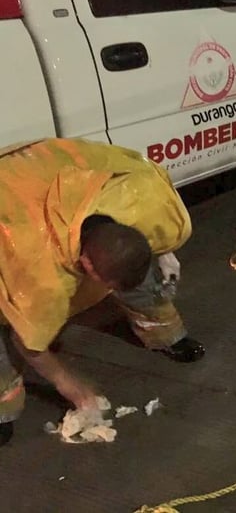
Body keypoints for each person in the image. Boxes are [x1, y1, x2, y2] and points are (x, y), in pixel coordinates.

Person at [0, 139, 204, 447]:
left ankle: (165, 334)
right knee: (15, 324)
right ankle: (4, 407)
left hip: (42, 171)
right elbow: (30, 344)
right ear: (86, 265)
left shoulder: (141, 197)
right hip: (14, 220)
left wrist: (164, 252)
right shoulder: (39, 274)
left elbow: (158, 226)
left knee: (133, 268)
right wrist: (73, 387)